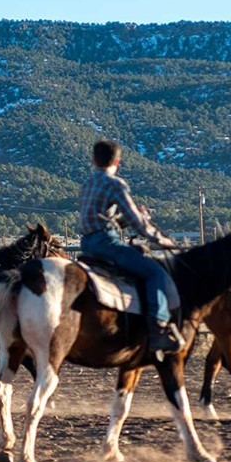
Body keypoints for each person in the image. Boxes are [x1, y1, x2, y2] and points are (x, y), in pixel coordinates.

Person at [78, 140, 183, 355]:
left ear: (94, 160)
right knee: (155, 273)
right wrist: (160, 238)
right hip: (106, 243)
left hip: (87, 243)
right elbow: (136, 222)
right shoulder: (115, 184)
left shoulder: (87, 183)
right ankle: (158, 329)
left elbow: (104, 219)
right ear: (117, 162)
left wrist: (124, 221)